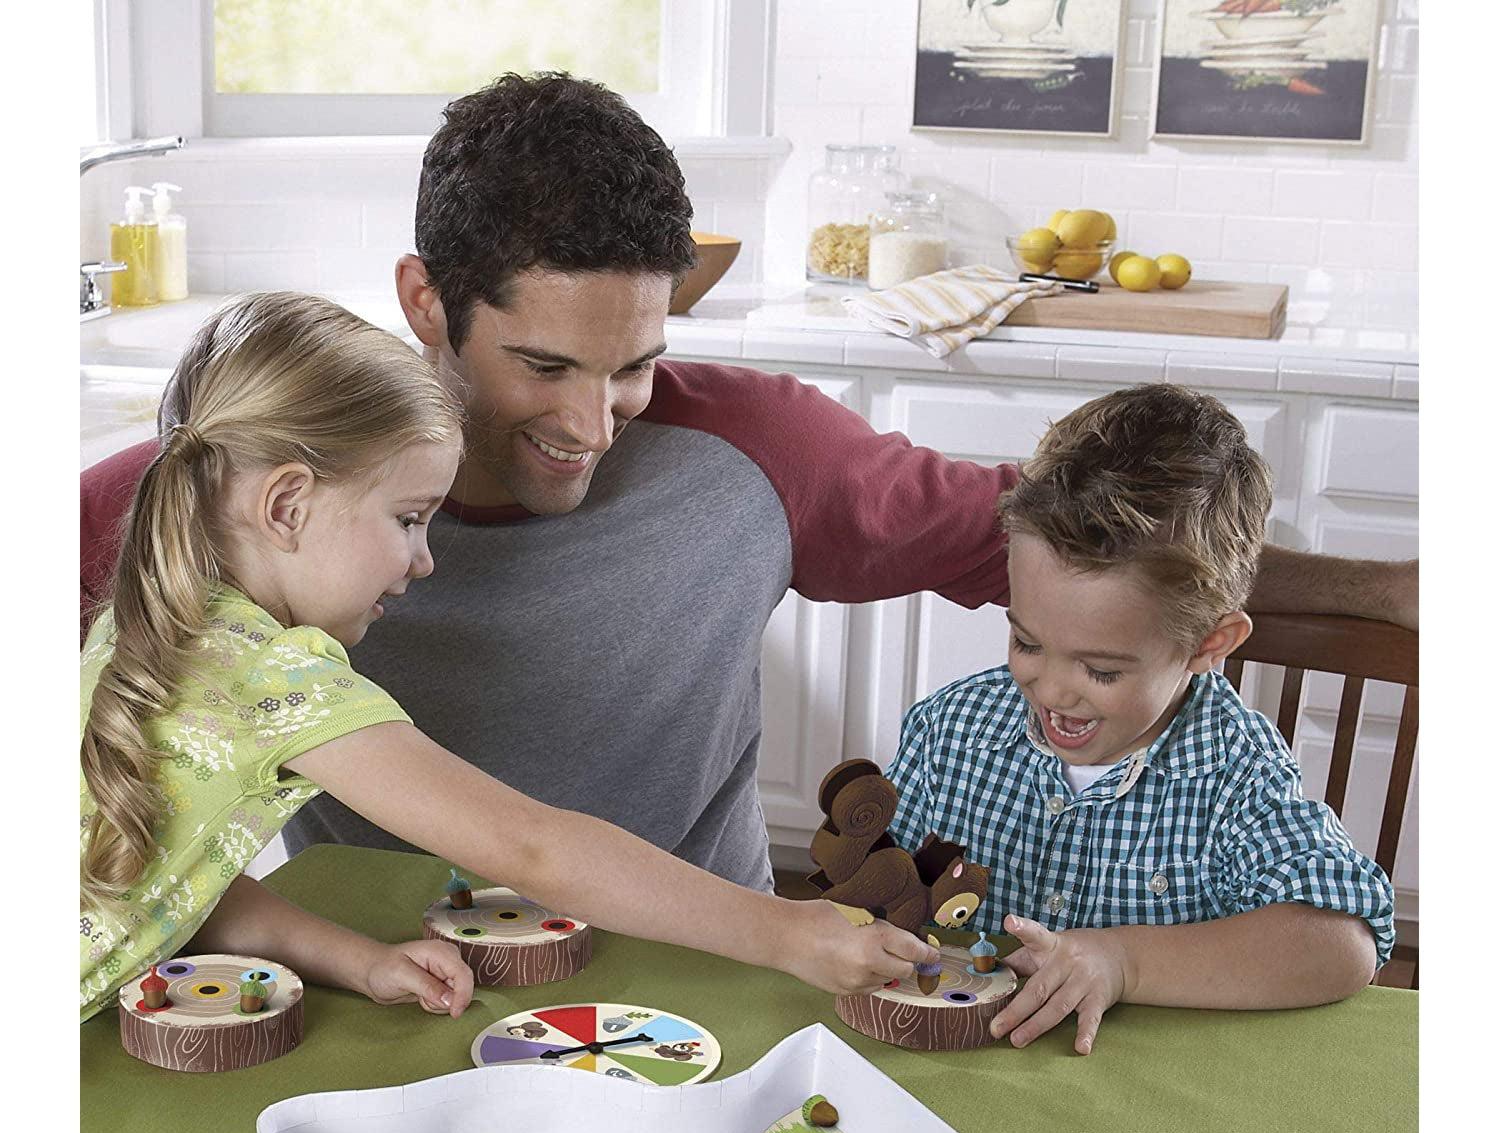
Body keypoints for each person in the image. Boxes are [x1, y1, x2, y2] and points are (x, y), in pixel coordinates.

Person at [79, 73, 1418, 897]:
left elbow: (1110, 545)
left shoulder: (759, 448)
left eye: (634, 368)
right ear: (428, 302)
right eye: (544, 366)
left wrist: (1390, 592)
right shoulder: (260, 478)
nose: (592, 426)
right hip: (388, 977)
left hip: (709, 977)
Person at [79, 292, 930, 1021]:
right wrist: (785, 931)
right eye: (408, 519)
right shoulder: (278, 679)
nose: (424, 560)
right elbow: (532, 850)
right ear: (287, 505)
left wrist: (357, 961)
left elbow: (180, 884)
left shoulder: (149, 617)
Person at [884, 384, 1395, 1056]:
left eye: (1101, 670)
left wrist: (1125, 961)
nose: (1051, 690)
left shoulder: (1235, 772)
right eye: (1027, 642)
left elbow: (1343, 945)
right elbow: (884, 884)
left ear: (1208, 645)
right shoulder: (949, 732)